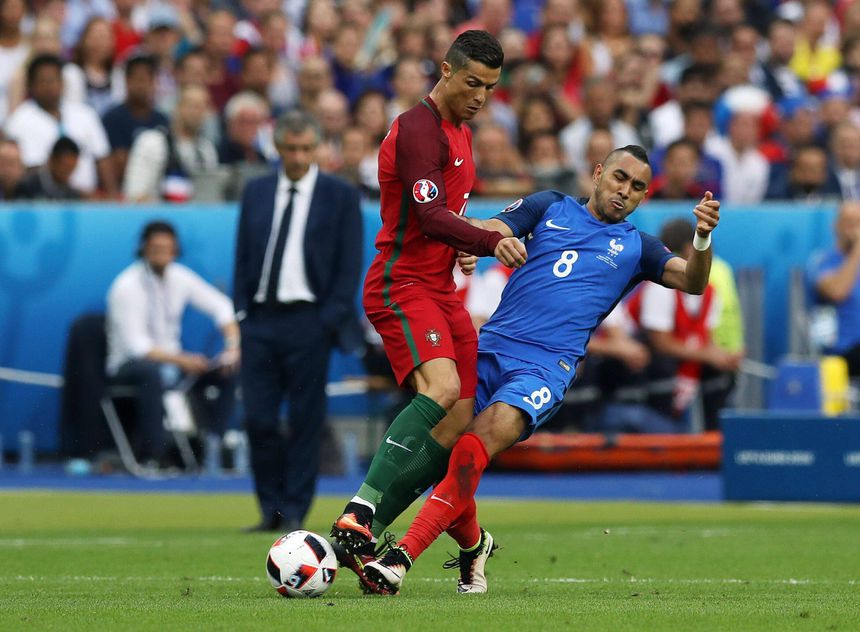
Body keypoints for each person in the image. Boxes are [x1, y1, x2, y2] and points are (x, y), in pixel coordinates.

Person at [361, 145, 722, 594]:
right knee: (438, 450)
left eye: (637, 187)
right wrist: (472, 244)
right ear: (597, 174)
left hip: (544, 369)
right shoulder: (549, 205)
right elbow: (493, 227)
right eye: (619, 178)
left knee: (475, 446)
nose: (624, 191)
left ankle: (401, 557)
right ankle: (382, 539)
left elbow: (693, 280)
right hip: (491, 347)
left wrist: (703, 237)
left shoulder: (637, 247)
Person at [330, 30, 526, 591]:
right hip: (401, 282)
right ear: (445, 71)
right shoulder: (417, 129)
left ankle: (470, 542)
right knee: (439, 390)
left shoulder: (461, 133)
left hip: (440, 288)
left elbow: (447, 219)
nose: (480, 96)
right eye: (471, 83)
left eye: (489, 87)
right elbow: (430, 217)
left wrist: (463, 244)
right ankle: (362, 510)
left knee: (459, 424)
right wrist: (486, 241)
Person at [232, 109, 363, 533]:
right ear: (278, 147)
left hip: (310, 321)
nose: (298, 156)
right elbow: (244, 255)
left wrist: (329, 319)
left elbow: (349, 265)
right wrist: (241, 311)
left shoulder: (339, 196)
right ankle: (268, 507)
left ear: (319, 148)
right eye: (291, 148)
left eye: (307, 148)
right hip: (261, 320)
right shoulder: (256, 191)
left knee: (307, 419)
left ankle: (294, 510)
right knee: (259, 419)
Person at [105, 221, 240, 469]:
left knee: (228, 370)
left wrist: (232, 347)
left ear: (175, 250)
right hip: (129, 368)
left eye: (167, 248)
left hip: (175, 365)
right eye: (156, 248)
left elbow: (222, 307)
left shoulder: (180, 276)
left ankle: (211, 445)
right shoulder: (126, 286)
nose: (161, 254)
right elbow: (138, 347)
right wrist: (183, 360)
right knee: (150, 371)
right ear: (144, 249)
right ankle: (156, 455)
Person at [810, 201, 860, 376]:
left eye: (858, 223)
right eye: (849, 222)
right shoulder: (823, 261)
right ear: (836, 225)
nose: (854, 230)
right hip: (840, 352)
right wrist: (857, 249)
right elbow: (837, 292)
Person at [15, 136, 83, 200]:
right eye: (65, 166)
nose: (68, 172)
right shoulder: (28, 186)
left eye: (72, 168)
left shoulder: (72, 194)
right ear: (51, 160)